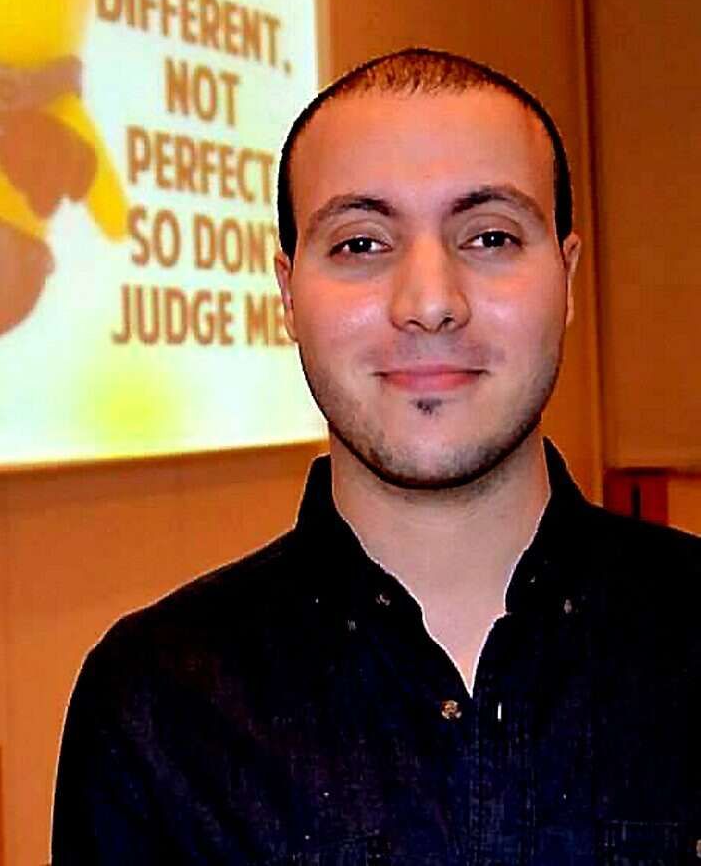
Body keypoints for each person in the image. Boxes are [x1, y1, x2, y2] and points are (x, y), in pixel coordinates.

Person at [51, 48, 701, 865]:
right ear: (287, 293)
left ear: (566, 279)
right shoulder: (157, 706)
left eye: (490, 236)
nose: (430, 303)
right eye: (361, 244)